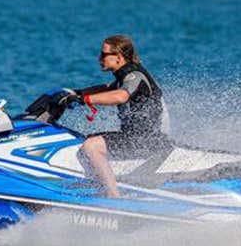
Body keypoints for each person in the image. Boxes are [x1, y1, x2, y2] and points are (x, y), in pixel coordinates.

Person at [66, 34, 166, 197]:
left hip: (147, 139)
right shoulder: (123, 78)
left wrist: (85, 99)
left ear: (119, 57)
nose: (100, 58)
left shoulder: (135, 75)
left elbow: (120, 96)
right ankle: (91, 185)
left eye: (104, 55)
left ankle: (113, 195)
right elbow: (107, 89)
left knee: (92, 146)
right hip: (133, 136)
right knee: (83, 138)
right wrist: (73, 93)